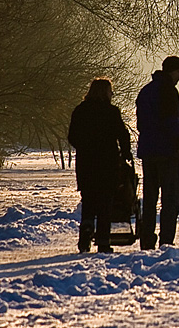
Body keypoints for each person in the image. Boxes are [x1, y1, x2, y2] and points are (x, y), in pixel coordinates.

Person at [67, 78, 132, 253]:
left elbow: (72, 136)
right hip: (107, 163)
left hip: (86, 163)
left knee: (88, 201)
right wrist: (126, 153)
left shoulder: (80, 111)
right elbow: (122, 135)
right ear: (105, 92)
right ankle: (103, 241)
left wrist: (85, 147)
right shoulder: (111, 112)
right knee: (105, 203)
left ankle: (85, 237)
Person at [136, 55, 179, 250]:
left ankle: (147, 239)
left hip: (148, 151)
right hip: (167, 153)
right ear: (172, 71)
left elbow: (142, 123)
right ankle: (166, 241)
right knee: (170, 199)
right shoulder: (168, 91)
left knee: (149, 199)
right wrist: (178, 146)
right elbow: (171, 123)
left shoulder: (146, 91)